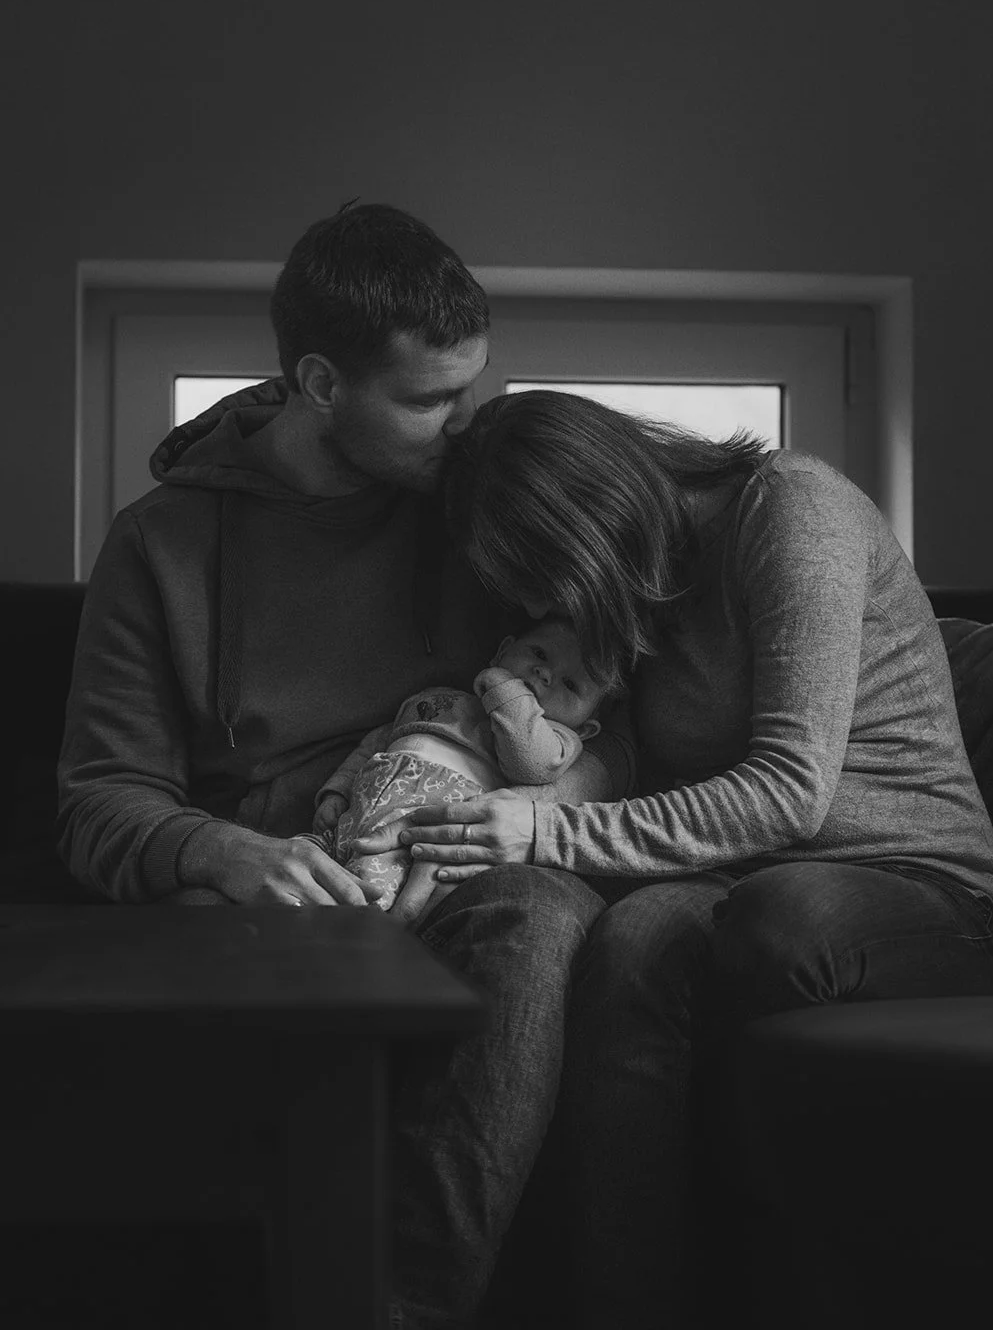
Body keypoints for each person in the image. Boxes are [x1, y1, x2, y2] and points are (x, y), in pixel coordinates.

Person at [56, 203, 633, 1330]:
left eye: (468, 390)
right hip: (279, 896)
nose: (460, 427)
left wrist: (543, 805)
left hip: (467, 860)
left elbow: (597, 714)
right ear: (320, 383)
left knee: (537, 910)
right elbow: (96, 801)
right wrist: (218, 850)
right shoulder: (159, 546)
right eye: (427, 401)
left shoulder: (475, 510)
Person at [353, 387, 993, 1329]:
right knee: (629, 938)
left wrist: (543, 831)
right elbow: (618, 763)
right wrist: (495, 811)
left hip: (909, 889)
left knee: (768, 918)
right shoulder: (641, 595)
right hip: (723, 884)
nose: (547, 610)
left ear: (590, 521)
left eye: (546, 578)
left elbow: (790, 789)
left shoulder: (790, 510)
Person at [313, 616, 610, 914]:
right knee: (303, 867)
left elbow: (529, 764)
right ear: (503, 650)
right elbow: (377, 742)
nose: (544, 673)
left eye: (570, 684)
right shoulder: (440, 695)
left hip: (416, 830)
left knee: (364, 891)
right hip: (354, 814)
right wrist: (337, 790)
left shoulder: (557, 741)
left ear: (585, 729)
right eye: (539, 654)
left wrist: (505, 689)